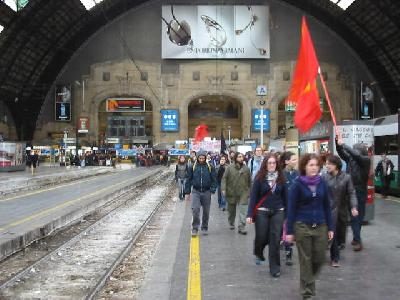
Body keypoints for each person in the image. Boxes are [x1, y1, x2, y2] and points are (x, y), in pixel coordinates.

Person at [286, 154, 334, 300]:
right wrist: (289, 231)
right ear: (304, 167)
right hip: (302, 225)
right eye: (310, 165)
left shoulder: (322, 183)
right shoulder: (297, 184)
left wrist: (331, 227)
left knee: (320, 258)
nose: (314, 168)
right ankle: (307, 292)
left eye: (316, 165)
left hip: (321, 225)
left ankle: (308, 280)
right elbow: (291, 208)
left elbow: (327, 206)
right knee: (305, 259)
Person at [246, 153, 286, 278]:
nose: (272, 165)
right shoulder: (259, 178)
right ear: (265, 164)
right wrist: (249, 214)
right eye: (269, 163)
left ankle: (275, 268)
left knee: (275, 240)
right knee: (262, 236)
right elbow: (253, 198)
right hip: (262, 211)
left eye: (274, 163)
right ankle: (258, 251)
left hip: (278, 210)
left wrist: (288, 215)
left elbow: (286, 197)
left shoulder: (281, 178)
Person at [323, 154, 358, 267]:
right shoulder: (324, 177)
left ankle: (335, 254)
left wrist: (353, 207)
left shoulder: (346, 177)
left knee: (338, 236)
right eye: (326, 163)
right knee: (331, 234)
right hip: (327, 211)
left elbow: (351, 193)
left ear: (336, 165)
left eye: (329, 164)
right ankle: (335, 258)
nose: (327, 166)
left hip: (341, 211)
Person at [336, 138, 371, 251]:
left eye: (356, 149)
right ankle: (357, 240)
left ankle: (356, 238)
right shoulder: (351, 159)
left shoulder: (365, 160)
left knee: (358, 217)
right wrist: (338, 144)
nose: (354, 151)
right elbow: (342, 153)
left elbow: (356, 155)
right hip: (351, 190)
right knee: (355, 216)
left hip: (360, 190)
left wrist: (344, 145)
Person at [185, 150, 217, 236]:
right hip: (196, 191)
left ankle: (204, 227)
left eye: (203, 158)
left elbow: (214, 179)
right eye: (200, 158)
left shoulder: (210, 167)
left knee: (206, 211)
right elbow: (188, 179)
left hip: (206, 191)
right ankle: (195, 228)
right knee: (195, 209)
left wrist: (213, 189)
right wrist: (187, 192)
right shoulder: (192, 167)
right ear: (197, 158)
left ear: (205, 158)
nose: (202, 159)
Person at [221, 152, 251, 234]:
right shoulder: (229, 168)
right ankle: (231, 222)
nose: (241, 158)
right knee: (231, 211)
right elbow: (224, 179)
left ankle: (241, 227)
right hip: (231, 192)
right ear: (235, 158)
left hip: (243, 193)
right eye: (239, 157)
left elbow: (249, 181)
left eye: (242, 157)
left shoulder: (246, 169)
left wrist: (250, 191)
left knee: (243, 211)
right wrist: (223, 189)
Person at [280, 151, 299, 266]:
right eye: (293, 160)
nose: (296, 162)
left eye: (296, 159)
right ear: (287, 161)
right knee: (287, 230)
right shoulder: (281, 175)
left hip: (297, 208)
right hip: (284, 209)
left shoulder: (298, 174)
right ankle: (288, 254)